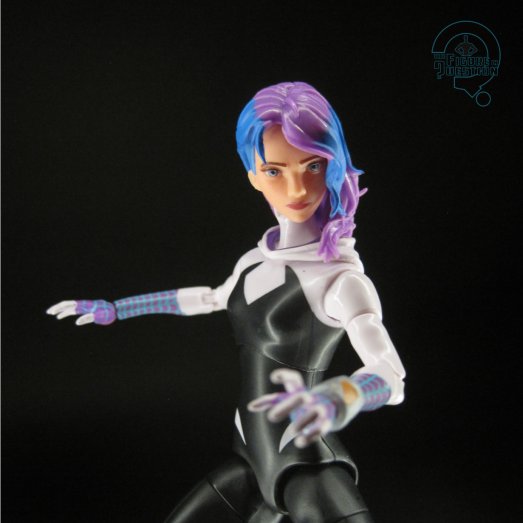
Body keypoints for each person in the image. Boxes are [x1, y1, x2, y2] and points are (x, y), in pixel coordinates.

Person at [48, 81, 406, 522]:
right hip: (249, 460)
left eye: (312, 166)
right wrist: (119, 309)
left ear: (332, 164)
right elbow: (207, 298)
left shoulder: (340, 279)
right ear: (253, 175)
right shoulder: (255, 261)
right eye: (274, 171)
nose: (296, 188)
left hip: (306, 465)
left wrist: (342, 396)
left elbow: (391, 376)